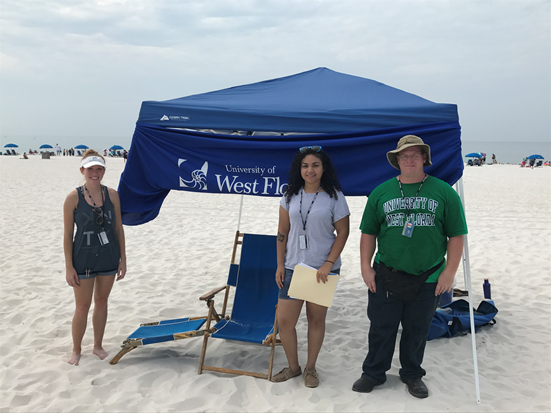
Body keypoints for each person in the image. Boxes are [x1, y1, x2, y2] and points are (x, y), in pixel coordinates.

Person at [352, 135, 467, 398]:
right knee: (381, 328)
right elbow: (368, 233)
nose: (410, 159)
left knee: (417, 330)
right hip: (386, 273)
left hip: (428, 276)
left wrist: (449, 272)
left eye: (415, 155)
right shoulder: (381, 192)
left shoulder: (443, 192)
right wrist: (365, 267)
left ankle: (412, 374)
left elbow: (457, 235)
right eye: (404, 156)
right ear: (397, 161)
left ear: (424, 158)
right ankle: (373, 373)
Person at [273, 146, 350, 388]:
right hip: (293, 267)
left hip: (321, 270)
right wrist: (279, 264)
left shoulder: (334, 196)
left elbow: (343, 232)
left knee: (316, 320)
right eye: (305, 165)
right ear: (299, 169)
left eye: (315, 165)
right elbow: (282, 232)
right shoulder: (289, 196)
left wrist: (329, 263)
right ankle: (293, 367)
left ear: (323, 168)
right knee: (285, 322)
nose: (310, 170)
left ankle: (310, 368)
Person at [63, 150, 127, 365]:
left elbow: (118, 228)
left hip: (108, 256)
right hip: (82, 258)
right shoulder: (73, 197)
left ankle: (98, 345)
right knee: (82, 306)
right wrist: (69, 267)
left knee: (101, 301)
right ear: (82, 170)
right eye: (90, 169)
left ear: (104, 171)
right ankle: (76, 349)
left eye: (99, 168)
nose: (95, 173)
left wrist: (123, 259)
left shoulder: (112, 195)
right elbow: (67, 235)